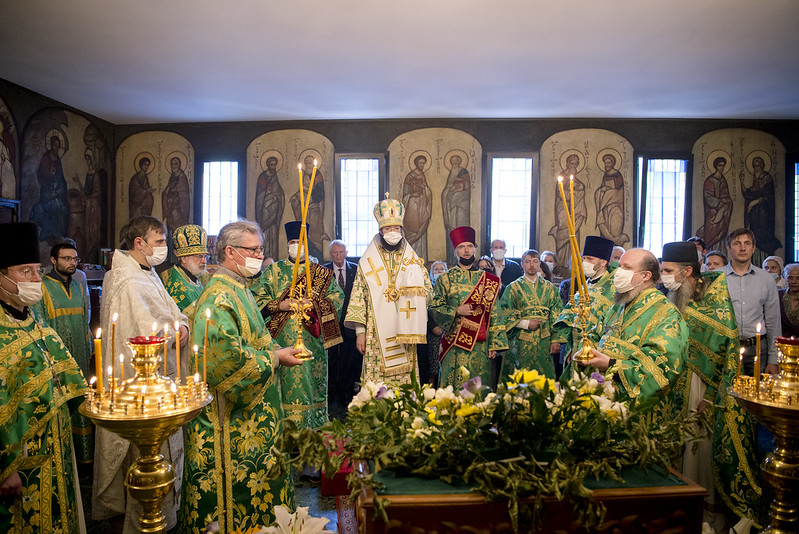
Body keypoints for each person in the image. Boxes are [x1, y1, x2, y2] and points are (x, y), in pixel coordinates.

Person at [179, 219, 303, 533]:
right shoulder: (219, 297)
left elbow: (257, 339)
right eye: (254, 249)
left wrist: (280, 350)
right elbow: (225, 364)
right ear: (231, 252)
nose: (260, 255)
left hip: (251, 422)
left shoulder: (239, 289)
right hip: (228, 429)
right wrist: (275, 357)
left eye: (261, 249)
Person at [93, 215, 190, 534]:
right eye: (160, 242)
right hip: (143, 386)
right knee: (146, 456)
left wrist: (182, 325)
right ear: (139, 243)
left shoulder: (145, 272)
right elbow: (141, 334)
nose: (165, 249)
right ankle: (144, 523)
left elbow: (173, 312)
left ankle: (159, 519)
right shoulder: (129, 280)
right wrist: (179, 331)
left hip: (161, 378)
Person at [660, 241, 761, 530]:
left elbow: (724, 350)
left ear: (687, 271)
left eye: (668, 270)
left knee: (698, 446)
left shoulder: (714, 297)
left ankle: (703, 511)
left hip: (701, 386)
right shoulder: (676, 293)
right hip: (676, 380)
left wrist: (715, 394)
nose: (663, 276)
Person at [0, 222, 88, 533]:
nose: (37, 279)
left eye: (37, 270)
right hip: (19, 463)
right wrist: (4, 469)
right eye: (26, 272)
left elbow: (65, 373)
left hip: (57, 447)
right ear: (1, 276)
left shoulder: (31, 318)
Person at [577, 248, 688, 421]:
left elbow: (663, 367)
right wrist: (586, 351)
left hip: (640, 413)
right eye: (619, 266)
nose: (618, 272)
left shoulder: (667, 314)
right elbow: (595, 334)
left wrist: (611, 364)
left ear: (646, 276)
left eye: (626, 268)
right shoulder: (618, 305)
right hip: (603, 400)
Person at [252, 221, 344, 429]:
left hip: (312, 342)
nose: (296, 245)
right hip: (280, 341)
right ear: (287, 245)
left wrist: (315, 304)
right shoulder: (274, 271)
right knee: (283, 384)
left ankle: (313, 425)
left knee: (311, 384)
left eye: (300, 241)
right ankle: (284, 428)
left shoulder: (319, 273)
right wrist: (280, 304)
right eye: (293, 241)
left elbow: (337, 299)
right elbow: (256, 300)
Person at [344, 196, 431, 384]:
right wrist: (360, 331)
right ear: (381, 230)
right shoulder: (367, 261)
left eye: (396, 228)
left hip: (405, 330)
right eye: (388, 228)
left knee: (405, 381)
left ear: (402, 230)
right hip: (375, 333)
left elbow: (428, 292)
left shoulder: (412, 260)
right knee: (377, 381)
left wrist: (414, 295)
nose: (393, 232)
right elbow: (359, 297)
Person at [32, 239, 93, 464]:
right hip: (57, 361)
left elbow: (85, 321)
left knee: (82, 405)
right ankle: (66, 459)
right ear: (53, 260)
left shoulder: (77, 285)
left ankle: (84, 459)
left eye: (74, 259)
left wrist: (88, 350)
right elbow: (41, 325)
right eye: (66, 258)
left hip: (80, 358)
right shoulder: (43, 286)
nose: (71, 263)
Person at [430, 226, 508, 388]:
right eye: (461, 247)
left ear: (474, 249)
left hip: (480, 346)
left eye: (469, 246)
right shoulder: (445, 279)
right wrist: (456, 311)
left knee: (477, 389)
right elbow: (434, 307)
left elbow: (495, 312)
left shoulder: (488, 280)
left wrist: (495, 344)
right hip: (454, 343)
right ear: (455, 251)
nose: (466, 250)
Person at [721, 228, 780, 376]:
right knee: (727, 395)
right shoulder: (717, 278)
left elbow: (773, 321)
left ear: (753, 248)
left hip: (757, 348)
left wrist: (774, 359)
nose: (742, 248)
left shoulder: (766, 279)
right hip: (726, 348)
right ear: (728, 248)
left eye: (747, 243)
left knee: (756, 396)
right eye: (737, 243)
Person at [498, 249, 562, 380]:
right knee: (520, 379)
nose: (532, 265)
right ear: (522, 264)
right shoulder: (513, 288)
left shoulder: (550, 288)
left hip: (544, 342)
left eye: (535, 261)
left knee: (543, 380)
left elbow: (557, 314)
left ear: (539, 264)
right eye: (528, 261)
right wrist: (526, 323)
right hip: (520, 342)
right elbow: (503, 313)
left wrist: (556, 340)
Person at [554, 236, 616, 364]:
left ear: (603, 262)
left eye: (590, 259)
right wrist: (571, 348)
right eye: (584, 258)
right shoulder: (586, 285)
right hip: (577, 348)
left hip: (599, 351)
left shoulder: (613, 288)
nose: (585, 262)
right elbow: (573, 321)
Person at [323, 239, 359, 417]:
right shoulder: (323, 271)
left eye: (341, 252)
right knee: (332, 359)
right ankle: (331, 394)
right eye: (334, 253)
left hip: (350, 324)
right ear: (331, 254)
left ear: (346, 253)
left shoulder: (356, 269)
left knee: (349, 359)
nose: (338, 256)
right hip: (330, 323)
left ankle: (347, 394)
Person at [549, 154, 587, 277]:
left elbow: (580, 193)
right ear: (567, 163)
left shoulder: (576, 180)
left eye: (576, 163)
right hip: (563, 212)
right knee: (563, 235)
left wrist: (578, 190)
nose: (574, 165)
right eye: (572, 163)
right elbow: (563, 195)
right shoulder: (563, 178)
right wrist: (575, 192)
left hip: (574, 214)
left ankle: (572, 267)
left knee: (573, 238)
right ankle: (561, 266)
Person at [160, 224, 208, 317]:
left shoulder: (198, 276)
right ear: (184, 258)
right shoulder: (174, 283)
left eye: (205, 256)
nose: (204, 261)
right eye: (199, 256)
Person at [741, 156, 781, 264]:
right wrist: (742, 182)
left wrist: (757, 201)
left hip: (764, 214)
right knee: (754, 235)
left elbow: (768, 196)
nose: (756, 168)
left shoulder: (767, 178)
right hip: (755, 214)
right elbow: (750, 193)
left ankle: (765, 263)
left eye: (758, 165)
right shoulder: (756, 177)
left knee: (762, 237)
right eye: (754, 166)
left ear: (762, 166)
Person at [31, 134, 70, 242]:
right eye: (55, 145)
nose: (56, 148)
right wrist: (50, 175)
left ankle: (59, 235)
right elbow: (41, 175)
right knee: (53, 208)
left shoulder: (58, 160)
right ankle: (49, 235)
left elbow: (61, 178)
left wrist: (59, 191)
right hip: (46, 192)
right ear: (51, 145)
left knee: (64, 208)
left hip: (57, 192)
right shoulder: (45, 158)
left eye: (58, 146)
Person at [441, 154, 471, 267]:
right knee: (451, 232)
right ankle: (451, 259)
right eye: (452, 162)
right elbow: (447, 189)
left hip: (461, 208)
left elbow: (466, 186)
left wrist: (456, 190)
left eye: (456, 161)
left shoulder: (463, 171)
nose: (454, 164)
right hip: (452, 210)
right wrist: (449, 192)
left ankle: (461, 260)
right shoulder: (452, 172)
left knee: (460, 234)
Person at [697, 157, 732, 251]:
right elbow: (708, 197)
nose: (722, 168)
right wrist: (720, 203)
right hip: (713, 212)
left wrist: (727, 201)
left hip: (723, 212)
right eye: (720, 165)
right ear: (716, 166)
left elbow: (726, 195)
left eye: (723, 166)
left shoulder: (723, 180)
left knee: (721, 234)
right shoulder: (710, 180)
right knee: (712, 234)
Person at [402, 154, 433, 259]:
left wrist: (424, 189)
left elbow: (427, 190)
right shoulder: (410, 176)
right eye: (420, 163)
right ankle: (409, 258)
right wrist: (412, 195)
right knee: (413, 229)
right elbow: (405, 193)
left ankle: (421, 258)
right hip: (412, 205)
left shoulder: (422, 174)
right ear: (416, 163)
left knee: (422, 229)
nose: (422, 165)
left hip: (422, 204)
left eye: (423, 163)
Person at [255, 155, 285, 261]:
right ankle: (265, 255)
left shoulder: (276, 176)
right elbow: (260, 195)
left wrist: (277, 197)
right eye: (271, 165)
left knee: (273, 235)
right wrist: (267, 195)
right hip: (266, 214)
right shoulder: (263, 177)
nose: (273, 167)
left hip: (274, 212)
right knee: (265, 235)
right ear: (268, 165)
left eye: (275, 165)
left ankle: (273, 256)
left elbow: (279, 192)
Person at [594, 153, 628, 245]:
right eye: (605, 163)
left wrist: (608, 192)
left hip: (615, 206)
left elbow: (619, 192)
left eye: (608, 163)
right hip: (605, 207)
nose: (606, 165)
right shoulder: (605, 175)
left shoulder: (617, 175)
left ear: (612, 163)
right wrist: (602, 190)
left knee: (614, 228)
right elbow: (601, 190)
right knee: (604, 229)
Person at [161, 156, 191, 233]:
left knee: (177, 229)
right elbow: (168, 189)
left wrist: (174, 193)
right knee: (170, 228)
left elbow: (183, 193)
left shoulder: (181, 177)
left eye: (175, 164)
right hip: (170, 207)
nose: (173, 166)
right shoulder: (172, 176)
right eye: (172, 164)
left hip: (178, 208)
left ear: (179, 165)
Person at [779, 263, 799, 338]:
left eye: (798, 278)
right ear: (785, 278)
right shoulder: (778, 296)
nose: (794, 281)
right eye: (790, 278)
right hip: (782, 343)